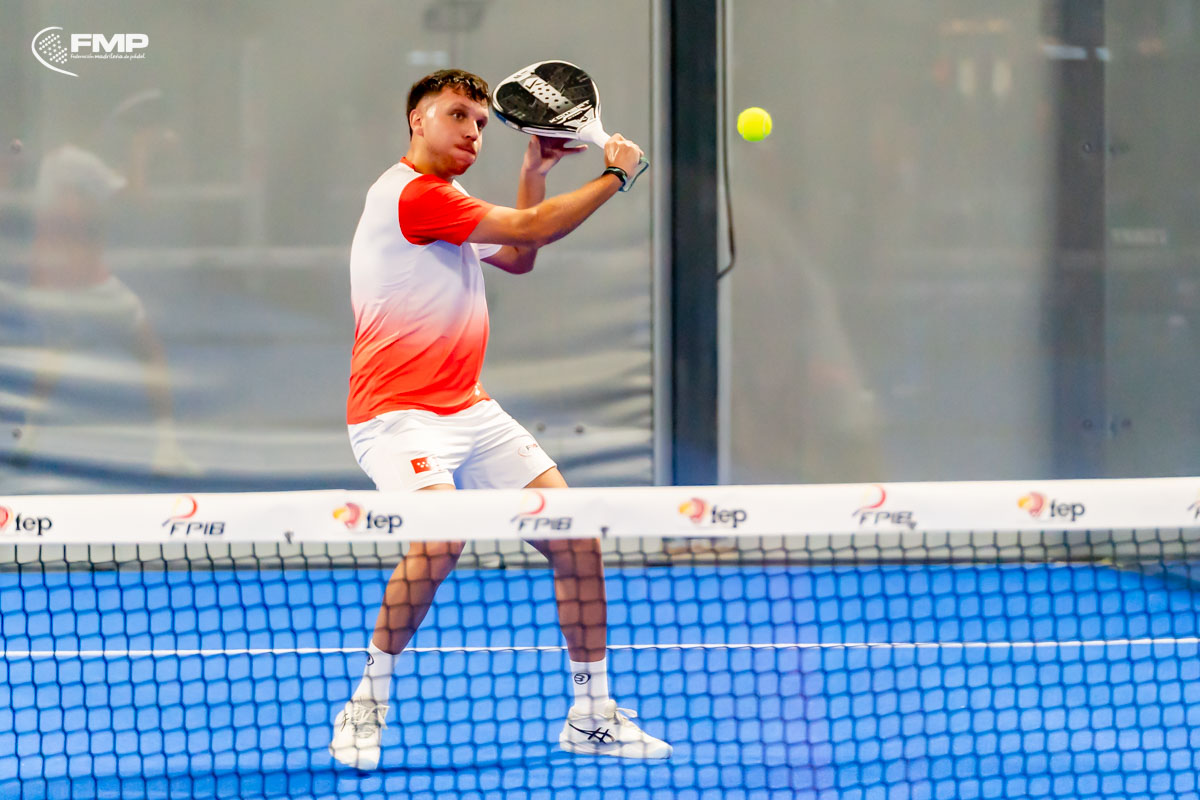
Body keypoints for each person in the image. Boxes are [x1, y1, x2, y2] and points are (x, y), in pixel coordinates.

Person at [328, 70, 671, 768]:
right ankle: (366, 703)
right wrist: (616, 175)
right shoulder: (411, 197)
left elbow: (517, 257)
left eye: (482, 124)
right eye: (458, 115)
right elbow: (530, 230)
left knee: (575, 538)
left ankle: (591, 716)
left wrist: (533, 171)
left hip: (470, 408)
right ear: (417, 120)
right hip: (397, 416)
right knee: (441, 541)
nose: (472, 132)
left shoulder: (447, 200)